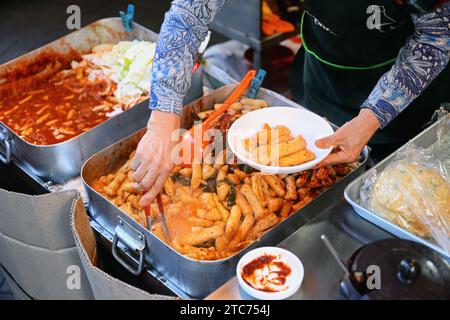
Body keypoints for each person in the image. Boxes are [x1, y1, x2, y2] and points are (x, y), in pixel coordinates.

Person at [131, 0, 450, 207]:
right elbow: (188, 17)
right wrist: (163, 119)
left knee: (392, 198)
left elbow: (435, 39)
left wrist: (372, 117)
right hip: (324, 72)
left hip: (403, 98)